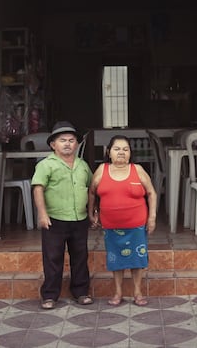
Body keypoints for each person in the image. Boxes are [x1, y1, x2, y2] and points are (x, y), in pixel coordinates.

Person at [88, 134, 157, 307]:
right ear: (108, 152)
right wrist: (93, 212)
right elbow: (92, 193)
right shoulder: (101, 170)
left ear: (130, 153)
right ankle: (118, 293)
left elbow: (151, 193)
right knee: (116, 260)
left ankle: (137, 292)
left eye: (125, 149)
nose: (121, 153)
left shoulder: (138, 170)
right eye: (117, 149)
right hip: (111, 227)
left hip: (136, 226)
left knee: (137, 260)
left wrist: (152, 218)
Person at [32, 121, 94, 310]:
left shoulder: (83, 165)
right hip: (54, 220)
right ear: (53, 145)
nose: (67, 143)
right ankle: (50, 295)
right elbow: (38, 189)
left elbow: (91, 188)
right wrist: (42, 214)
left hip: (79, 219)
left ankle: (81, 292)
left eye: (71, 140)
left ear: (77, 144)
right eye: (62, 140)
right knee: (53, 258)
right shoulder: (46, 165)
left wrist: (92, 213)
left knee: (80, 257)